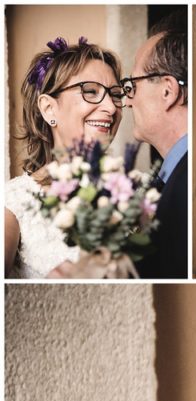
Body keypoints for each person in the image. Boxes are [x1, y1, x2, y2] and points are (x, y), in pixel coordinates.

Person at [5, 37, 122, 278]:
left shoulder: (140, 190)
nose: (111, 107)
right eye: (91, 91)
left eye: (116, 94)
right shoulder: (13, 202)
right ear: (49, 109)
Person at [123, 11, 188, 279]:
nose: (126, 102)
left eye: (131, 85)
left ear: (167, 91)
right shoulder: (168, 178)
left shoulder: (185, 183)